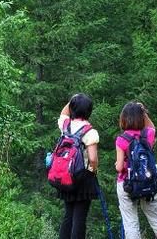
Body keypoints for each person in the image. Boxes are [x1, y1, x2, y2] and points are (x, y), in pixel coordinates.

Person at [115, 102, 157, 239]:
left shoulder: (121, 139)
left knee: (131, 223)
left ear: (123, 118)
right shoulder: (148, 134)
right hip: (149, 182)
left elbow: (119, 167)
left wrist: (119, 164)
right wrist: (143, 112)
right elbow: (152, 127)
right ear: (141, 117)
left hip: (127, 184)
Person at [57, 93, 99, 239]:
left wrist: (71, 100)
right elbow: (92, 159)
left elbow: (63, 113)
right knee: (79, 219)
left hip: (66, 176)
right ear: (89, 111)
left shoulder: (65, 126)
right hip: (82, 178)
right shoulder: (90, 132)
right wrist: (92, 173)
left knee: (68, 216)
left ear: (73, 108)